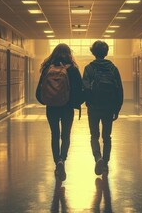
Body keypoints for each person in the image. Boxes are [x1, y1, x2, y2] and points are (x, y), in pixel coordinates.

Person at [36, 43, 84, 181]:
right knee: (66, 136)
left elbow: (38, 91)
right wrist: (76, 103)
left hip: (51, 107)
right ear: (69, 54)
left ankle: (57, 162)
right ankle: (63, 159)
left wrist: (46, 100)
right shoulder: (73, 69)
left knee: (54, 135)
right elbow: (79, 90)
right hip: (67, 107)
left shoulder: (47, 68)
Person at [82, 40, 123, 176]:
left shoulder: (89, 68)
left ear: (93, 52)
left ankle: (97, 158)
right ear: (106, 52)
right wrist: (117, 109)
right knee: (107, 136)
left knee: (94, 135)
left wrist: (88, 103)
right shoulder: (113, 68)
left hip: (94, 107)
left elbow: (86, 88)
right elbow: (119, 90)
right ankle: (105, 163)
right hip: (109, 107)